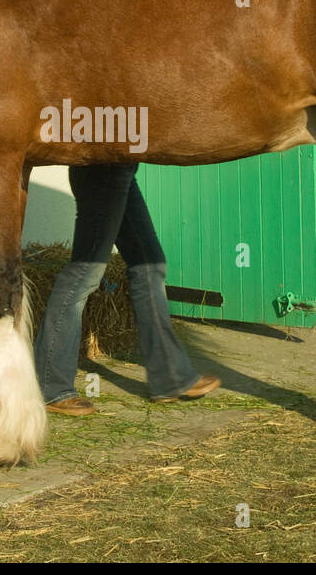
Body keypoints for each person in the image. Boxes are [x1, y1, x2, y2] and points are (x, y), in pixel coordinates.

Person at [34, 163, 221, 414]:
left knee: (149, 263)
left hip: (122, 168)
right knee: (85, 273)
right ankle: (50, 385)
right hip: (101, 165)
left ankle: (170, 376)